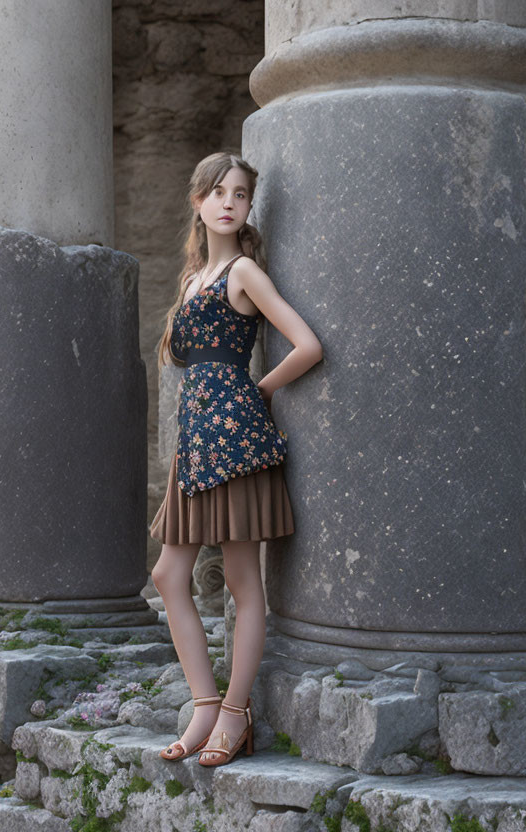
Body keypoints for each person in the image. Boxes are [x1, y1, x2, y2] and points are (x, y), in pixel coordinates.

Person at [149, 151, 322, 767]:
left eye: (241, 194)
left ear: (248, 208)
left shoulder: (244, 273)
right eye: (218, 192)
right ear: (198, 203)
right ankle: (204, 705)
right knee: (169, 575)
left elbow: (307, 345)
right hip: (195, 443)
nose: (229, 202)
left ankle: (234, 713)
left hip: (236, 440)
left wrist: (259, 391)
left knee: (245, 584)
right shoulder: (193, 279)